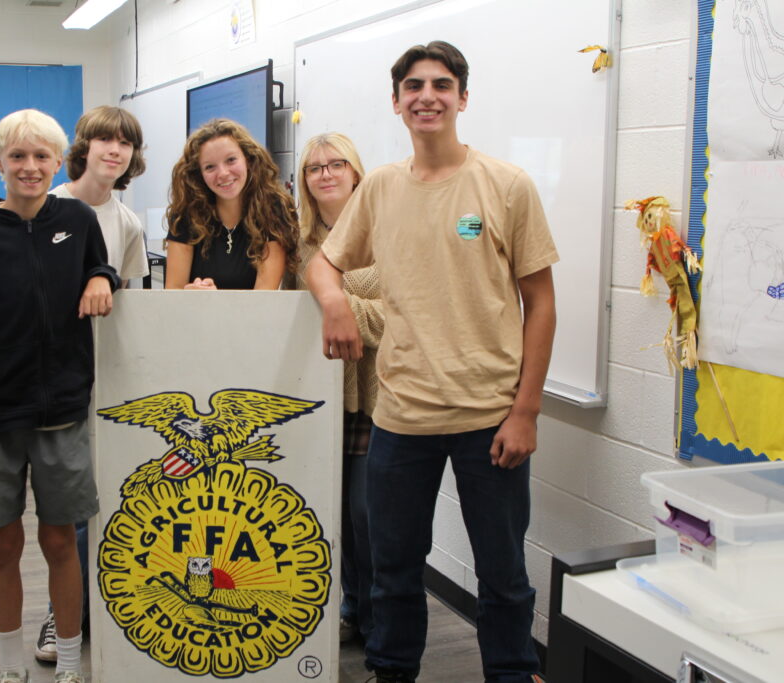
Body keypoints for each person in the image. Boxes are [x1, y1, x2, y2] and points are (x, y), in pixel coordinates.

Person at [305, 41, 557, 683]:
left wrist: (525, 411)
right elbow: (324, 260)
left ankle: (510, 672)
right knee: (393, 572)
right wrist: (333, 300)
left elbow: (542, 303)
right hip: (402, 418)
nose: (427, 95)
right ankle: (393, 671)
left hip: (489, 416)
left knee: (502, 574)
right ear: (397, 102)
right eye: (413, 86)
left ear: (462, 98)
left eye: (441, 85)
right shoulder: (383, 187)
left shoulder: (506, 185)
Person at [0, 109, 120, 683]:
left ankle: (67, 666)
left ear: (58, 162)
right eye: (18, 157)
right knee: (1, 547)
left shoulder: (78, 219)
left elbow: (98, 264)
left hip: (61, 415)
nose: (30, 167)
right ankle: (10, 670)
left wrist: (102, 277)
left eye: (42, 156)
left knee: (62, 541)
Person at [34, 104, 148, 665]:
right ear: (83, 147)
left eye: (123, 142)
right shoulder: (49, 206)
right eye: (103, 139)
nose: (113, 149)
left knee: (108, 503)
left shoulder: (128, 222)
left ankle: (100, 609)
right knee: (69, 513)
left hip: (109, 383)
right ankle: (61, 618)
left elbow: (131, 307)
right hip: (57, 385)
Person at [294, 132, 382, 645]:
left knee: (370, 518)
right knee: (335, 516)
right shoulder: (298, 242)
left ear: (355, 172)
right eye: (314, 167)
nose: (325, 173)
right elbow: (286, 319)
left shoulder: (388, 232)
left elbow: (404, 316)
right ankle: (352, 607)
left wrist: (337, 308)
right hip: (321, 400)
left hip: (377, 399)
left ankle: (379, 622)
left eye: (336, 163)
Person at [165, 118, 298, 290]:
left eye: (231, 160)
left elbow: (263, 298)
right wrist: (190, 296)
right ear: (199, 174)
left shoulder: (273, 210)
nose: (223, 173)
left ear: (248, 159)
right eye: (210, 167)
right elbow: (173, 294)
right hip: (195, 316)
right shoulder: (186, 214)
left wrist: (217, 301)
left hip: (253, 316)